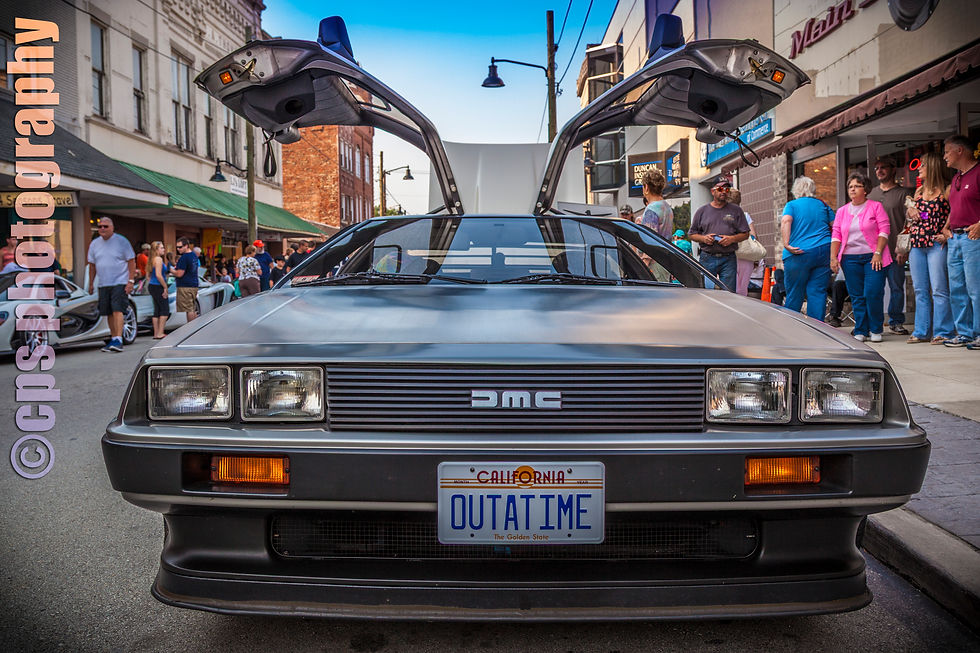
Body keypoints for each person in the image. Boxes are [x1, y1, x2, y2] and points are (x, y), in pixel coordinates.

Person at [830, 172, 891, 342]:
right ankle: (861, 329)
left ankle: (876, 328)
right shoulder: (842, 211)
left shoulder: (875, 207)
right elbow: (836, 235)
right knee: (856, 295)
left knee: (872, 293)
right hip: (850, 259)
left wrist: (878, 252)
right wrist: (833, 257)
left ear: (865, 189)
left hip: (873, 257)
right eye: (850, 186)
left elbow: (884, 230)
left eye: (857, 186)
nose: (853, 189)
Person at [905, 151, 954, 344]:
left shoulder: (946, 190)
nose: (919, 168)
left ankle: (943, 331)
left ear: (932, 167)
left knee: (940, 289)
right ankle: (921, 331)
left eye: (922, 165)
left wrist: (946, 230)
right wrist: (910, 211)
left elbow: (955, 211)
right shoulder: (918, 192)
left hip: (935, 243)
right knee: (920, 289)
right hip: (917, 244)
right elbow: (919, 216)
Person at [941, 134, 980, 349]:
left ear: (959, 151)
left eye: (947, 151)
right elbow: (956, 207)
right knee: (957, 289)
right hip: (955, 238)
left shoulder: (978, 173)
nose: (944, 156)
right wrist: (947, 226)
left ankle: (979, 333)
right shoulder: (956, 178)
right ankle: (964, 334)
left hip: (974, 238)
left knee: (976, 288)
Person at [868, 155, 912, 335]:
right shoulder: (871, 195)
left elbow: (910, 222)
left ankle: (895, 322)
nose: (879, 170)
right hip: (874, 253)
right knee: (874, 290)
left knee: (896, 288)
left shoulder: (904, 194)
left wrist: (903, 248)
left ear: (893, 170)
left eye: (883, 167)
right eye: (877, 168)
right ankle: (875, 324)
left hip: (895, 251)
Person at [780, 176, 834, 320]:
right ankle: (816, 331)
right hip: (823, 251)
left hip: (798, 253)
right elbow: (835, 225)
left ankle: (792, 327)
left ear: (796, 190)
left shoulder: (792, 205)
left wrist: (786, 244)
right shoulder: (823, 205)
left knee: (795, 292)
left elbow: (786, 220)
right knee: (817, 291)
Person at [688, 177, 749, 291]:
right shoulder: (702, 211)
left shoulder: (736, 210)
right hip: (707, 256)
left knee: (729, 292)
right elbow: (692, 234)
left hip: (728, 257)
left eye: (727, 190)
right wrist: (704, 239)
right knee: (706, 291)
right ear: (713, 191)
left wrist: (732, 239)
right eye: (720, 189)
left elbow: (745, 234)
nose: (724, 192)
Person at [86, 217, 136, 352]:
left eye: (105, 226)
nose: (102, 229)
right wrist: (90, 283)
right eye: (100, 226)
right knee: (108, 312)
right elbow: (92, 265)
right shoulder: (94, 244)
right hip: (103, 283)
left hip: (119, 282)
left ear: (112, 227)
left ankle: (119, 339)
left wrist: (130, 281)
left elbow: (131, 261)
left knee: (117, 310)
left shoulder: (122, 242)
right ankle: (113, 338)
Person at [728, 188, 761, 296]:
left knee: (730, 288)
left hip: (729, 255)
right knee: (742, 289)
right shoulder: (745, 215)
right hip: (746, 255)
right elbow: (754, 236)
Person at [637, 169, 674, 239]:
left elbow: (648, 240)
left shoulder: (651, 209)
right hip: (666, 249)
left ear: (646, 187)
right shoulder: (667, 207)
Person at [146, 241, 171, 339]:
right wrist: (165, 287)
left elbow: (148, 276)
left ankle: (156, 333)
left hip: (152, 286)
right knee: (164, 309)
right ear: (156, 250)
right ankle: (160, 333)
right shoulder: (158, 259)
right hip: (158, 286)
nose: (164, 249)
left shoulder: (151, 259)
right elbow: (158, 275)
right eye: (162, 248)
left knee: (156, 310)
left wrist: (153, 282)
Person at [173, 236, 200, 321]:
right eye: (177, 247)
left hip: (185, 286)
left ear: (186, 246)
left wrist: (171, 270)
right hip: (194, 285)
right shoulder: (194, 256)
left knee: (189, 310)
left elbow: (180, 274)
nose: (178, 249)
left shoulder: (184, 257)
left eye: (180, 247)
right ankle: (194, 328)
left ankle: (190, 329)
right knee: (192, 308)